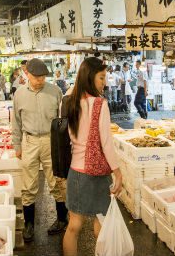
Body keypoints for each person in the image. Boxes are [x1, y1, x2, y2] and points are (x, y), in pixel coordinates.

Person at [62, 57, 123, 256]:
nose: (104, 82)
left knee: (73, 226)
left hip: (75, 171)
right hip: (96, 173)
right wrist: (118, 172)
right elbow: (106, 142)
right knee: (101, 223)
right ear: (90, 77)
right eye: (101, 77)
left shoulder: (69, 100)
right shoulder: (99, 104)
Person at [12, 58, 66, 242]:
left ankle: (61, 219)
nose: (41, 80)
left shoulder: (55, 91)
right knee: (28, 184)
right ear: (27, 74)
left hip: (51, 140)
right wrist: (17, 145)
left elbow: (62, 119)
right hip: (29, 141)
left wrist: (63, 145)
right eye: (37, 77)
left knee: (56, 180)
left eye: (43, 77)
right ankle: (28, 225)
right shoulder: (19, 94)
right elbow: (16, 123)